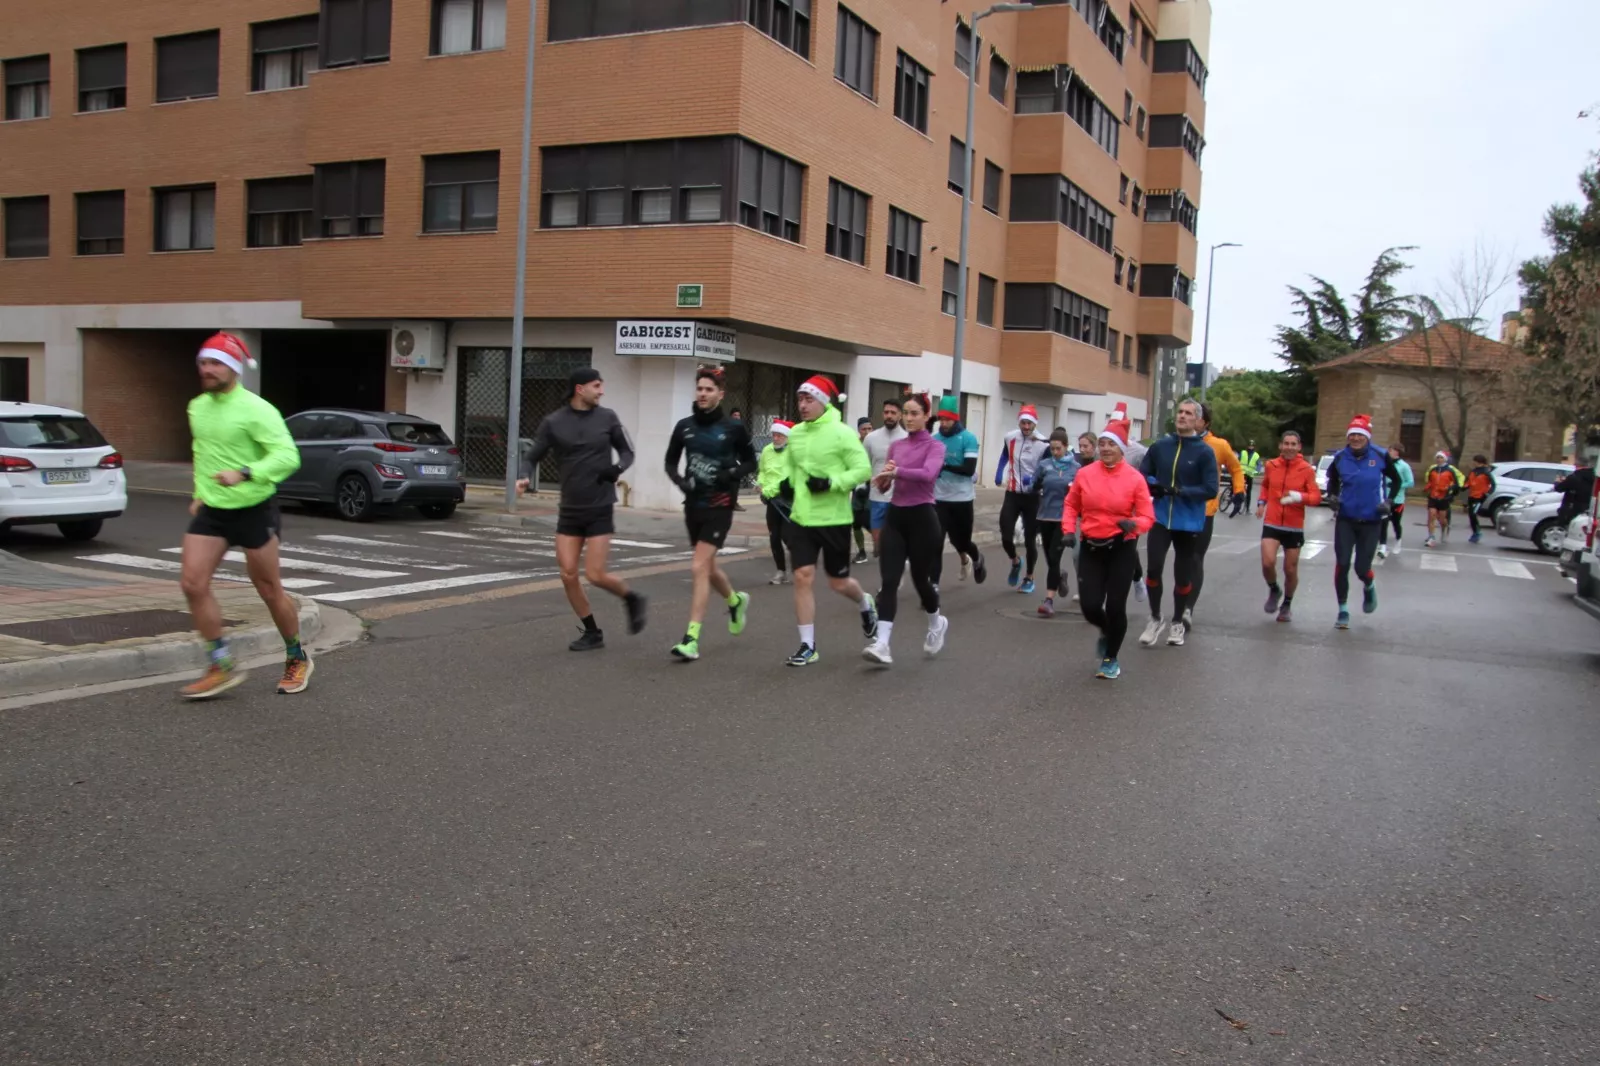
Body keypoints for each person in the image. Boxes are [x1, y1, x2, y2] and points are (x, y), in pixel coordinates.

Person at [178, 333, 309, 699]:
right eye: (203, 363)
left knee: (268, 590)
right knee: (192, 584)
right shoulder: (196, 407)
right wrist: (199, 494)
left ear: (234, 368)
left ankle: (296, 656)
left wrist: (246, 473)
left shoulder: (257, 409)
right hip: (213, 510)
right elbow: (204, 453)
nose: (207, 369)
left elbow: (288, 456)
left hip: (254, 509)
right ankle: (220, 664)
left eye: (216, 363)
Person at [516, 366, 646, 651]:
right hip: (570, 509)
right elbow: (532, 455)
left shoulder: (607, 417)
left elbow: (627, 451)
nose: (602, 391)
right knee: (568, 574)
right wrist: (524, 475)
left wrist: (617, 469)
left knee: (595, 575)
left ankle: (631, 598)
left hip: (600, 505)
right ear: (580, 389)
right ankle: (592, 632)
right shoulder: (554, 422)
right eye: (597, 386)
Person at [777, 374, 877, 666]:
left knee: (838, 582)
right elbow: (792, 468)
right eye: (800, 399)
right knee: (802, 576)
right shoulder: (796, 434)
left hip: (834, 519)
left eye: (809, 399)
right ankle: (807, 645)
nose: (803, 405)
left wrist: (831, 483)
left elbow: (862, 470)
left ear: (822, 402)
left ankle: (864, 602)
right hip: (802, 518)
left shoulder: (842, 433)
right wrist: (785, 485)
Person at [663, 366, 757, 662]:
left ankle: (691, 638)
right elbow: (669, 463)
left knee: (698, 566)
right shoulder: (684, 426)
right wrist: (681, 483)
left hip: (720, 505)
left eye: (709, 389)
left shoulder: (733, 428)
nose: (703, 394)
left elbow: (751, 462)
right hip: (694, 506)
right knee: (708, 567)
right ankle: (735, 601)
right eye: (700, 389)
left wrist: (732, 474)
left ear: (720, 394)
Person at [1060, 419, 1155, 680]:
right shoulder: (1085, 474)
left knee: (1115, 606)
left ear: (1122, 448)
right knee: (1090, 606)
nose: (1105, 448)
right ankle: (1106, 630)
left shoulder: (1135, 479)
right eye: (1102, 443)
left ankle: (1111, 658)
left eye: (1111, 444)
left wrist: (1133, 524)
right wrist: (1068, 530)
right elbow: (1071, 504)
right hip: (1091, 546)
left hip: (1121, 547)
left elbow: (1147, 516)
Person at [862, 393, 950, 665]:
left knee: (921, 580)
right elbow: (887, 485)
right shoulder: (896, 447)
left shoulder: (935, 447)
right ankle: (882, 644)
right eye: (906, 413)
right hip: (895, 518)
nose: (909, 419)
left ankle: (936, 623)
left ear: (926, 416)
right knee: (889, 581)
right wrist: (883, 480)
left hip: (923, 519)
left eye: (915, 414)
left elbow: (928, 475)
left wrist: (897, 471)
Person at [1138, 398, 1218, 648]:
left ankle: (1177, 622)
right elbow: (1143, 474)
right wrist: (1154, 485)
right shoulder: (1161, 446)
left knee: (1183, 577)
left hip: (1189, 521)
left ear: (1197, 420)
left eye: (1188, 413)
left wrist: (1180, 491)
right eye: (1180, 412)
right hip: (1161, 517)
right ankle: (1155, 618)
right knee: (1153, 569)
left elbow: (1211, 489)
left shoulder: (1204, 451)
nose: (1182, 416)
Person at [1324, 414, 1402, 630]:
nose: (1356, 438)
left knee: (1361, 568)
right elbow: (1332, 480)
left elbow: (1397, 480)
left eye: (1360, 435)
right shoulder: (1340, 457)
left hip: (1371, 519)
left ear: (1367, 436)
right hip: (1346, 519)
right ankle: (1343, 610)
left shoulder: (1380, 455)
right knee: (1342, 564)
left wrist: (1389, 501)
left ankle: (1369, 585)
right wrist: (1332, 497)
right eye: (1352, 435)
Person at [1254, 429, 1321, 623]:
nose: (1289, 447)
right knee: (1267, 563)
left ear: (1299, 447)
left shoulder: (1306, 469)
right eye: (1286, 443)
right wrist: (1261, 502)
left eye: (1293, 444)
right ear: (1280, 446)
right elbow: (1266, 485)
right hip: (1272, 521)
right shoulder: (1272, 465)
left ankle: (1287, 604)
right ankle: (1274, 589)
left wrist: (1299, 497)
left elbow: (1316, 497)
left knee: (1290, 570)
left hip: (1294, 525)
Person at [1188, 402, 1244, 623]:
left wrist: (1239, 491)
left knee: (1195, 559)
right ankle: (1180, 601)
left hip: (1205, 511)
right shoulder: (1178, 442)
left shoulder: (1219, 445)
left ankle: (1187, 609)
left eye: (1195, 417)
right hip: (1180, 508)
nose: (1189, 420)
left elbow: (1236, 468)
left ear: (1205, 422)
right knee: (1180, 561)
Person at [932, 394, 987, 586]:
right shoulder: (935, 439)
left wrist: (944, 466)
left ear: (955, 418)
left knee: (961, 542)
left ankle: (977, 558)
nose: (944, 423)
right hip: (939, 499)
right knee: (936, 543)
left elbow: (969, 469)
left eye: (947, 419)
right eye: (941, 419)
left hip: (962, 499)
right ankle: (933, 586)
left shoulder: (968, 438)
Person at [994, 405, 1048, 594]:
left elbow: (1047, 468)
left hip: (1032, 497)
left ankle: (1029, 577)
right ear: (1019, 422)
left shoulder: (1043, 443)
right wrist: (999, 472)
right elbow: (1004, 455)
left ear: (1035, 424)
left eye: (1029, 423)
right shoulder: (1010, 437)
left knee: (1030, 540)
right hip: (1013, 493)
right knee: (1005, 535)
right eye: (1023, 423)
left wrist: (1035, 481)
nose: (1026, 426)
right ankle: (1016, 561)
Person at [1031, 428, 1083, 617]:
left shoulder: (1076, 468)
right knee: (1050, 558)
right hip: (1045, 516)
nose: (1055, 452)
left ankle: (1048, 601)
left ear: (1066, 447)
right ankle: (1060, 575)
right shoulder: (1044, 465)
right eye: (1052, 449)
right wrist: (1035, 484)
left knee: (1054, 557)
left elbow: (1081, 493)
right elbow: (1033, 485)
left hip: (1064, 519)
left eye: (1058, 448)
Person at [863, 398, 908, 559]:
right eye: (886, 412)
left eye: (893, 413)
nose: (889, 416)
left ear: (900, 415)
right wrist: (862, 486)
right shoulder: (871, 438)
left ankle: (895, 569)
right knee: (879, 546)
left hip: (899, 498)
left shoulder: (908, 438)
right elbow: (864, 465)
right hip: (876, 497)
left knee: (896, 544)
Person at [757, 420, 795, 584]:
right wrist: (760, 484)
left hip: (787, 499)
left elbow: (787, 477)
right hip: (771, 500)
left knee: (787, 536)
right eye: (774, 435)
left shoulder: (792, 452)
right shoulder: (767, 450)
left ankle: (799, 565)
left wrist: (769, 491)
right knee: (774, 537)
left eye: (779, 435)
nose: (775, 438)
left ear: (787, 437)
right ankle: (781, 571)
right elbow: (762, 471)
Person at [1377, 443, 1414, 560]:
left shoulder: (1404, 466)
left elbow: (1410, 482)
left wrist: (1396, 485)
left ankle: (1398, 541)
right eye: (1389, 450)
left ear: (1398, 452)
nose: (1390, 452)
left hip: (1397, 499)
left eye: (1392, 450)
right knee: (1383, 522)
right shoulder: (1383, 463)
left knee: (1396, 522)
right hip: (1384, 498)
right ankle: (1382, 546)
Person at [1423, 450, 1464, 547]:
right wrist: (1427, 488)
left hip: (1444, 497)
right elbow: (1429, 481)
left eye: (1441, 457)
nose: (1439, 459)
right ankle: (1431, 537)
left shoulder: (1450, 470)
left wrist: (1450, 490)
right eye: (1437, 457)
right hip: (1433, 496)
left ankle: (1445, 528)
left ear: (1445, 459)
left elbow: (1456, 483)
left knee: (1442, 519)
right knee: (1431, 516)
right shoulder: (1433, 469)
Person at [850, 417, 874, 564]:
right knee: (856, 522)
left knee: (869, 520)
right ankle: (861, 552)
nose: (867, 431)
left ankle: (885, 545)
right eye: (864, 429)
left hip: (873, 488)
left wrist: (870, 483)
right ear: (859, 431)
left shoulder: (876, 443)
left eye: (869, 428)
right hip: (857, 488)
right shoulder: (854, 445)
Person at [1553, 461, 1597, 530]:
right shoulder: (1595, 478)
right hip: (1588, 509)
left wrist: (1557, 482)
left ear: (1576, 466)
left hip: (1572, 510)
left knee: (1569, 529)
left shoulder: (1574, 477)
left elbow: (1559, 488)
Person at [1464, 455, 1496, 543]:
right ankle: (1475, 532)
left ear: (1479, 462)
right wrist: (1463, 487)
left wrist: (1487, 493)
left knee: (1473, 514)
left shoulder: (1486, 472)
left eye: (1475, 461)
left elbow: (1493, 485)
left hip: (1480, 497)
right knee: (1471, 515)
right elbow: (1468, 482)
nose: (1473, 463)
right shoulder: (1473, 471)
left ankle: (1477, 532)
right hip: (1471, 496)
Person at [1232, 440, 1263, 517]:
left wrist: (1256, 472)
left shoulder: (1256, 455)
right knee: (1236, 487)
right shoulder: (1243, 453)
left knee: (1248, 492)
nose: (1250, 447)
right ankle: (1231, 496)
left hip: (1249, 475)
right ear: (1247, 446)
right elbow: (1237, 460)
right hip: (1241, 474)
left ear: (1254, 447)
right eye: (1249, 445)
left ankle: (1247, 509)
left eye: (1252, 446)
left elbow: (1259, 465)